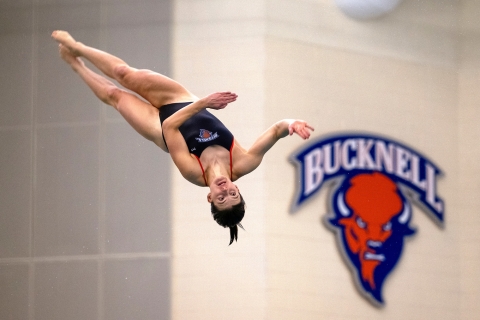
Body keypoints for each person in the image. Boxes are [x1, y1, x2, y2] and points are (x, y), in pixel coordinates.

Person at [51, 31, 314, 245]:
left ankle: (76, 66)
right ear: (238, 190)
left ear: (209, 198)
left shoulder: (193, 173)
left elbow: (170, 127)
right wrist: (293, 124)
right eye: (232, 193)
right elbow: (277, 129)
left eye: (220, 197)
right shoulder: (244, 162)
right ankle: (79, 47)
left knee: (115, 95)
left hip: (159, 126)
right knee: (124, 74)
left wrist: (204, 103)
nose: (224, 189)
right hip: (179, 98)